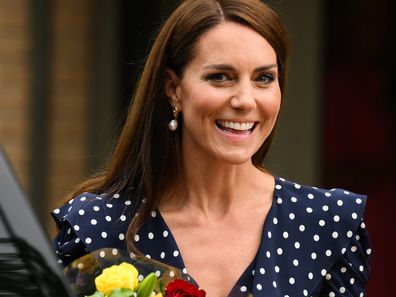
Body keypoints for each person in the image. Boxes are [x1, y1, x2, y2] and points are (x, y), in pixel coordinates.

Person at [51, 0, 371, 296]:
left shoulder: (329, 225)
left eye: (263, 78)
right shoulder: (96, 226)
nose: (245, 100)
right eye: (220, 76)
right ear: (173, 89)